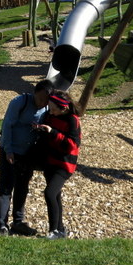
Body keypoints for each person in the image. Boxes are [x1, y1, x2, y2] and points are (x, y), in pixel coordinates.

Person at [0, 79, 52, 237]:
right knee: (6, 187)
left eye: (46, 100)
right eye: (40, 99)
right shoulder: (19, 102)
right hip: (11, 150)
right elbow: (7, 126)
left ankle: (18, 222)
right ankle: (2, 224)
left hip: (28, 154)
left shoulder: (48, 108)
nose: (42, 103)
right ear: (34, 92)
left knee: (22, 187)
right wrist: (8, 150)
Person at [34, 91, 82, 240]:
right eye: (50, 108)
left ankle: (54, 230)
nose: (51, 112)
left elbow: (72, 145)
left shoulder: (73, 120)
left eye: (54, 109)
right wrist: (41, 130)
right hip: (49, 161)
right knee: (55, 195)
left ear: (64, 108)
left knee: (49, 193)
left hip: (64, 164)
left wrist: (52, 132)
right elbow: (49, 137)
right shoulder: (51, 116)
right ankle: (60, 230)